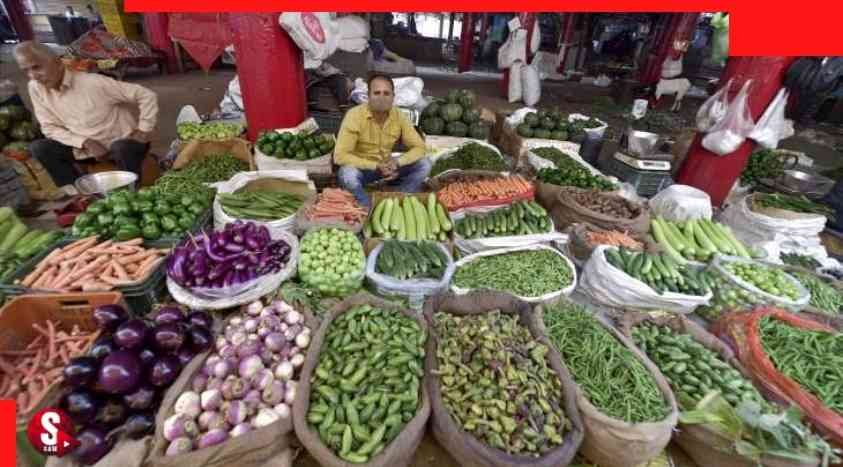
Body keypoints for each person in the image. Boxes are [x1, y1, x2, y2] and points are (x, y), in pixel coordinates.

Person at [14, 41, 158, 191]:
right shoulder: (36, 87)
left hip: (122, 145)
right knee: (40, 148)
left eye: (37, 67)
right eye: (26, 71)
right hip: (84, 149)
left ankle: (131, 194)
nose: (33, 76)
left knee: (122, 147)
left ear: (57, 62)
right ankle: (79, 195)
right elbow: (49, 127)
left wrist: (144, 130)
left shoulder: (92, 83)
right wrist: (85, 142)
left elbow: (146, 95)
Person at [335, 74, 430, 207]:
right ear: (368, 96)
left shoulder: (399, 116)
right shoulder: (354, 115)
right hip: (362, 170)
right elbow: (340, 156)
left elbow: (419, 147)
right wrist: (375, 166)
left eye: (386, 93)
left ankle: (399, 199)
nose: (381, 98)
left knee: (424, 164)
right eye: (376, 93)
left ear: (393, 97)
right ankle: (366, 206)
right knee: (347, 174)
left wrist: (397, 162)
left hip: (388, 168)